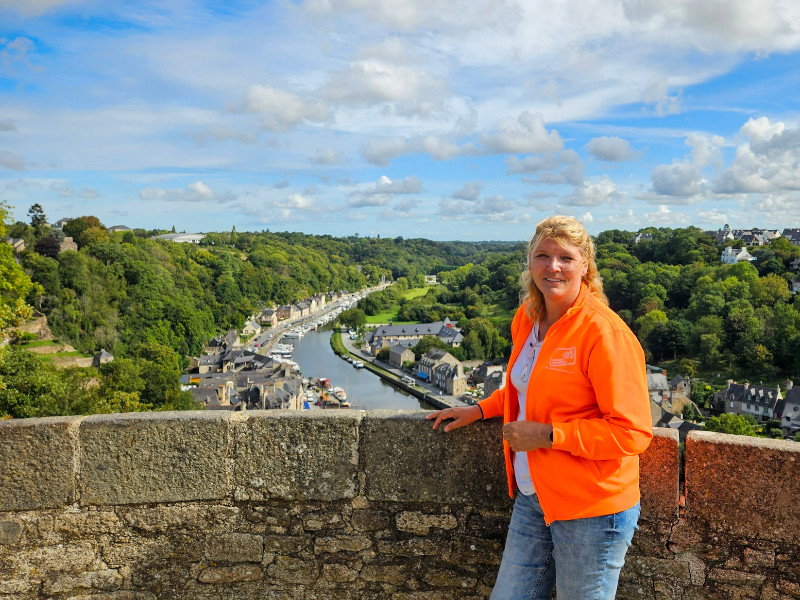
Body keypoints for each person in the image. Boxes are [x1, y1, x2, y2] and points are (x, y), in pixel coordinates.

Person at [427, 215, 652, 599]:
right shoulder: (527, 317)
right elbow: (526, 390)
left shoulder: (604, 332)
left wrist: (548, 436)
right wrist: (481, 409)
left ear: (585, 265)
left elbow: (632, 432)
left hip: (592, 509)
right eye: (542, 255)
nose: (553, 267)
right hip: (536, 496)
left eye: (566, 257)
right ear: (530, 262)